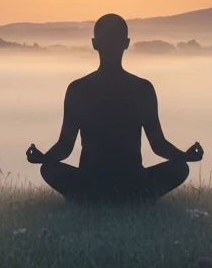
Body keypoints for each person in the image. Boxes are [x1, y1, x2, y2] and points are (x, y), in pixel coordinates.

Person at [26, 13, 203, 202]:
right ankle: (136, 199)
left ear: (95, 43)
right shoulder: (143, 88)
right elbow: (158, 144)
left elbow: (65, 146)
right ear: (126, 43)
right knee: (180, 168)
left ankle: (88, 199)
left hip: (90, 184)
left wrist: (43, 159)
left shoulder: (77, 89)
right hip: (133, 183)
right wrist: (184, 157)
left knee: (49, 169)